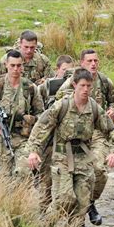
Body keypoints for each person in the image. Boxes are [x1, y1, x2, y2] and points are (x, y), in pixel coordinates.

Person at [28, 68, 114, 227]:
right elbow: (42, 128)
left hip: (83, 158)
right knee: (65, 198)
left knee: (83, 204)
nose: (85, 89)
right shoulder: (61, 106)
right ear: (74, 85)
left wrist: (113, 151)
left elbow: (110, 130)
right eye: (82, 85)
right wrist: (34, 151)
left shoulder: (94, 107)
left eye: (89, 86)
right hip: (62, 157)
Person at [56, 49, 114, 226]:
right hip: (76, 134)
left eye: (96, 61)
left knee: (99, 171)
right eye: (90, 61)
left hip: (97, 132)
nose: (93, 64)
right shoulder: (72, 81)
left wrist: (113, 110)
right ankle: (79, 213)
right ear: (82, 63)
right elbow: (58, 100)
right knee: (75, 174)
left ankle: (90, 202)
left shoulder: (104, 80)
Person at [0, 50, 44, 177]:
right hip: (1, 137)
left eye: (19, 65)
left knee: (23, 173)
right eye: (12, 65)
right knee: (0, 177)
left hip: (23, 139)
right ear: (6, 65)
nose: (15, 69)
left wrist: (33, 126)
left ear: (22, 66)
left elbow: (40, 113)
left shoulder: (30, 88)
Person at [36, 54, 74, 210]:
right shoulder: (48, 86)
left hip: (67, 141)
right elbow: (37, 106)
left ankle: (73, 216)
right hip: (48, 138)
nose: (67, 75)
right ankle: (44, 210)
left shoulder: (77, 89)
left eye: (70, 72)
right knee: (46, 177)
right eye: (64, 71)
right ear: (57, 70)